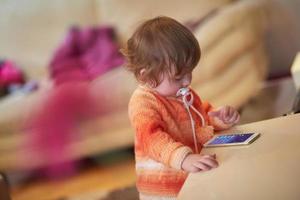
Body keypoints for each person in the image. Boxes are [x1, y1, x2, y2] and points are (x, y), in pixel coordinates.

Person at [121, 16, 240, 200]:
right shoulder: (142, 102)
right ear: (146, 77)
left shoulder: (182, 92)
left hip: (190, 177)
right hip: (164, 190)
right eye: (178, 77)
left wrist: (218, 118)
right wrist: (184, 159)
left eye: (189, 72)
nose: (187, 81)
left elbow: (199, 116)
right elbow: (152, 139)